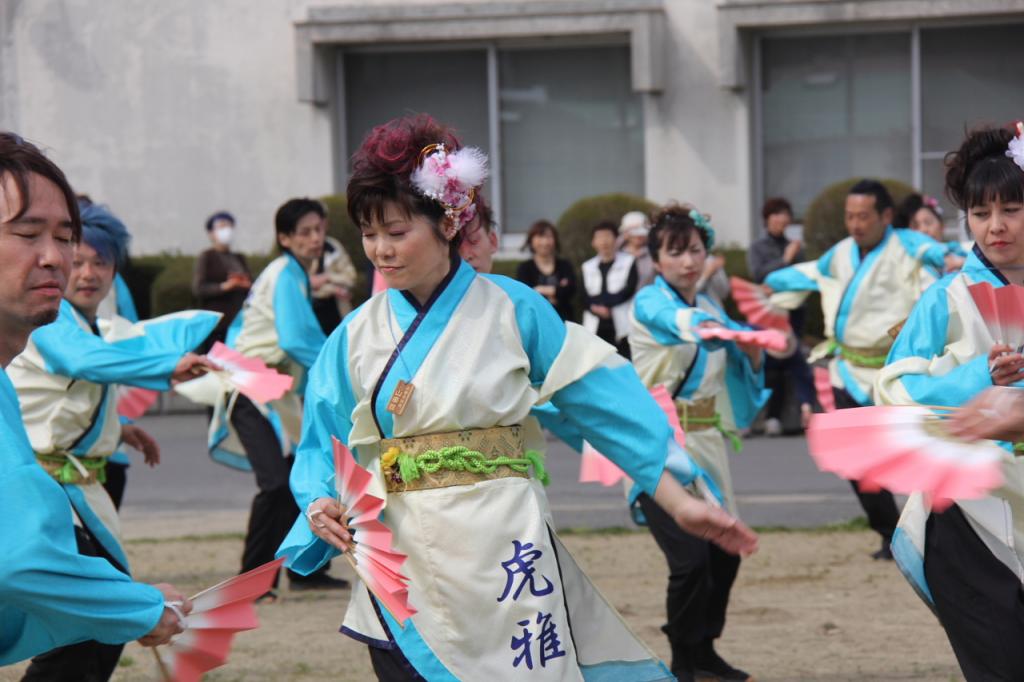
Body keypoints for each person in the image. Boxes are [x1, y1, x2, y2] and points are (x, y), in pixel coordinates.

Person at [277, 114, 757, 682]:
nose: (379, 250)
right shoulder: (353, 336)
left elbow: (599, 400)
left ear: (449, 222)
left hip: (504, 541)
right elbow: (322, 443)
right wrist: (318, 502)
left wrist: (677, 502)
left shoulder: (514, 308)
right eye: (369, 233)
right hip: (404, 551)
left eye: (397, 231)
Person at [0, 132, 189, 676]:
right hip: (60, 483)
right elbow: (18, 559)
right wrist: (138, 608)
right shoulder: (64, 333)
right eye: (28, 233)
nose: (57, 258)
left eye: (67, 238)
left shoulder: (84, 323)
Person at [875, 123, 1024, 681]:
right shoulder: (948, 295)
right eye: (982, 214)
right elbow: (892, 387)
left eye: (1012, 208)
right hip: (968, 509)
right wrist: (974, 377)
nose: (997, 226)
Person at [764, 179, 952, 559]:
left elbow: (943, 257)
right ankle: (888, 534)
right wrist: (773, 280)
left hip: (899, 369)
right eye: (850, 216)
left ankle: (936, 532)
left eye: (864, 216)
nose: (855, 224)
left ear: (885, 216)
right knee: (857, 461)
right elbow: (814, 272)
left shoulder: (908, 246)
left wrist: (952, 261)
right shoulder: (841, 253)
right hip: (848, 369)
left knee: (923, 453)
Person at [629, 203, 768, 682]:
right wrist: (713, 330)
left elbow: (744, 346)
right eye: (675, 252)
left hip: (706, 445)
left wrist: (757, 344)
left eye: (694, 250)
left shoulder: (709, 305)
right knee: (690, 562)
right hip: (657, 448)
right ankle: (683, 660)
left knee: (724, 554)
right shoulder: (649, 304)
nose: (688, 261)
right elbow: (674, 322)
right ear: (657, 260)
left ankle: (704, 649)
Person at [216, 197, 347, 597]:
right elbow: (294, 340)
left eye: (319, 230)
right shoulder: (286, 274)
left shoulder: (292, 273)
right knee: (277, 483)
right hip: (251, 386)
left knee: (297, 480)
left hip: (272, 390)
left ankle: (303, 570)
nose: (314, 238)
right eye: (304, 232)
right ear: (284, 238)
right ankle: (252, 581)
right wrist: (342, 367)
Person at [747, 198, 813, 434]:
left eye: (784, 214)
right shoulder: (758, 247)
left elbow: (805, 278)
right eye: (775, 214)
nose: (780, 219)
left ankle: (792, 415)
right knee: (768, 363)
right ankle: (760, 417)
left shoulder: (796, 247)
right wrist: (784, 259)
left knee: (793, 362)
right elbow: (758, 274)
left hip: (792, 314)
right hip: (768, 314)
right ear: (767, 219)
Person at [193, 210, 252, 352]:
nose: (226, 230)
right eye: (221, 226)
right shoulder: (207, 257)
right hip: (217, 324)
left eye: (229, 226)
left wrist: (246, 285)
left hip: (240, 322)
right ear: (211, 233)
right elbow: (199, 288)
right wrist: (224, 287)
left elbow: (253, 284)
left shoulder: (239, 257)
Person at [582, 220, 638, 357]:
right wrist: (596, 308)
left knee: (624, 361)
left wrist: (605, 306)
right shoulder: (587, 266)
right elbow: (583, 296)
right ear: (593, 242)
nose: (604, 241)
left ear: (616, 239)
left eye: (607, 236)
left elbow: (628, 290)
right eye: (599, 237)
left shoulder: (629, 261)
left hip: (622, 325)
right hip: (595, 325)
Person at [515, 219, 577, 321]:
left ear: (555, 240)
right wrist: (557, 291)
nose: (545, 242)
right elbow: (526, 295)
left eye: (548, 237)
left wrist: (539, 289)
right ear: (531, 240)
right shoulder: (525, 268)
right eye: (540, 236)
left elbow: (571, 290)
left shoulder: (565, 265)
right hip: (536, 321)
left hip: (564, 322)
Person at [310, 232, 358, 334]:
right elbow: (308, 284)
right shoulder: (298, 253)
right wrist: (335, 289)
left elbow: (351, 278)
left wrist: (327, 277)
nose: (315, 236)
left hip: (339, 315)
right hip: (313, 319)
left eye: (318, 228)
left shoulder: (332, 246)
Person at [620, 210, 656, 288]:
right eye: (634, 232)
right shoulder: (618, 254)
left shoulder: (654, 254)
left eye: (641, 231)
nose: (638, 236)